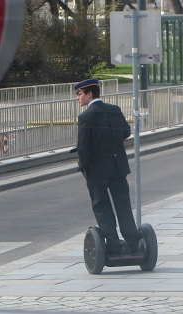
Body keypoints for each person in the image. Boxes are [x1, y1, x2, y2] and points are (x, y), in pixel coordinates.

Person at [75, 78, 141, 256]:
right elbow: (126, 132)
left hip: (97, 171)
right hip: (118, 167)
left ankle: (112, 243)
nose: (77, 98)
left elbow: (83, 147)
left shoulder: (85, 117)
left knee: (101, 205)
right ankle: (133, 242)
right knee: (123, 205)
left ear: (89, 94)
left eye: (80, 94)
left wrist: (85, 167)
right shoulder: (114, 110)